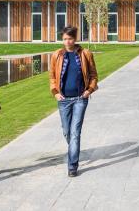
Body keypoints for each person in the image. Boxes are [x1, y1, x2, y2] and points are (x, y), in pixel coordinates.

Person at [49, 26, 98, 177]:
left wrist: (89, 90)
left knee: (75, 132)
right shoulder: (57, 55)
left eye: (70, 39)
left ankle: (72, 165)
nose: (67, 42)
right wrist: (55, 92)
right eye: (64, 39)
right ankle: (74, 150)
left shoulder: (85, 54)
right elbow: (51, 76)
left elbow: (93, 75)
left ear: (75, 38)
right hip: (63, 100)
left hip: (79, 99)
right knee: (67, 132)